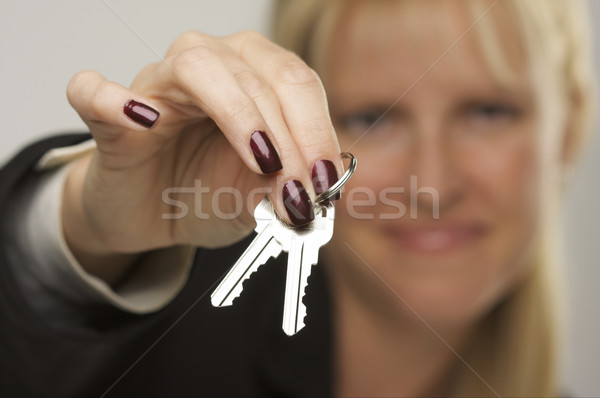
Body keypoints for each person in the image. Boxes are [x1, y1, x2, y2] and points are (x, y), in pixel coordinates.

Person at [0, 0, 594, 396]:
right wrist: (85, 233)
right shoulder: (175, 346)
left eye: (488, 113)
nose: (433, 187)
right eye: (372, 117)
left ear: (571, 127)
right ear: (298, 122)